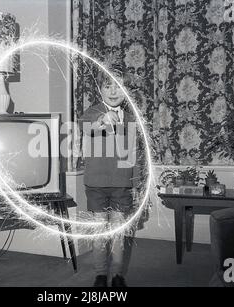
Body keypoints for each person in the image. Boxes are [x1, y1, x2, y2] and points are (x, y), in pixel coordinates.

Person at [79, 69, 138, 287]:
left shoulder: (131, 119)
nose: (113, 91)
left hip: (122, 185)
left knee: (119, 234)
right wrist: (103, 120)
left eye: (118, 86)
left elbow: (134, 154)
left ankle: (118, 275)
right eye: (107, 86)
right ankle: (101, 274)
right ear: (99, 89)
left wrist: (136, 184)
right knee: (99, 233)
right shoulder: (92, 112)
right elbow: (89, 128)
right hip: (96, 185)